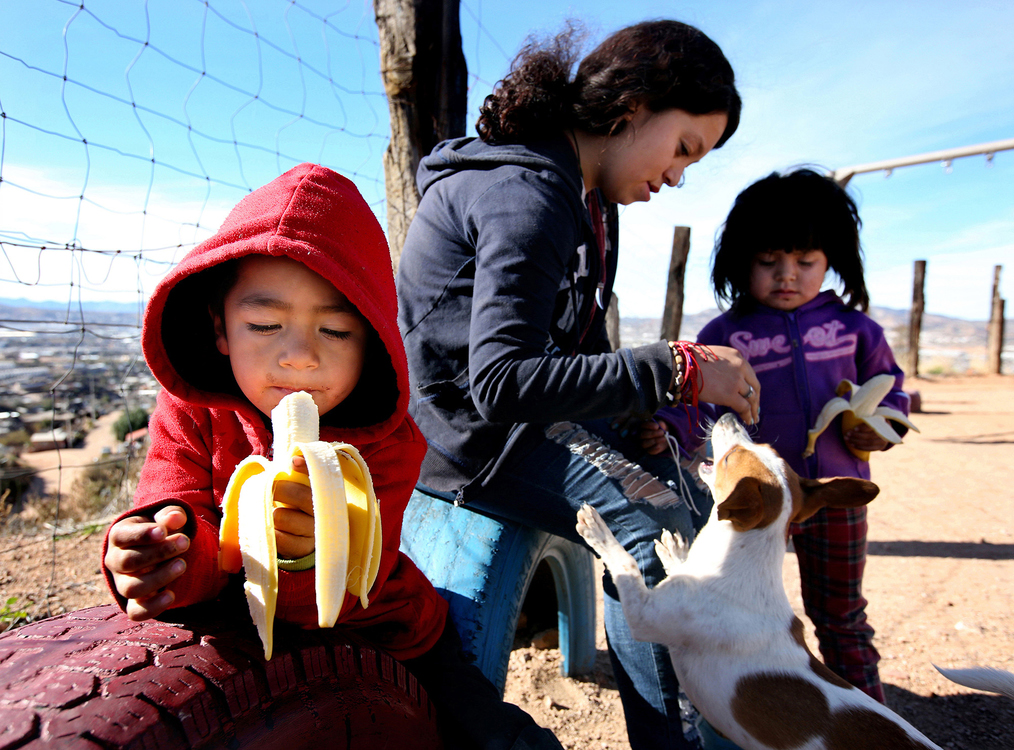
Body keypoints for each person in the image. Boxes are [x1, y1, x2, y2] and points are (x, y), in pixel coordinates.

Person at [101, 163, 563, 749]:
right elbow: (174, 507)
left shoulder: (389, 444)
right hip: (230, 626)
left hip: (383, 630)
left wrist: (297, 559)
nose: (299, 357)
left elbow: (339, 597)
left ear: (373, 341)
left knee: (487, 736)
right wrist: (159, 558)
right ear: (220, 330)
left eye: (337, 333)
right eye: (265, 324)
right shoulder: (191, 410)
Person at [396, 20, 760, 750]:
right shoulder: (527, 194)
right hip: (471, 439)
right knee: (651, 526)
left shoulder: (587, 195)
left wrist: (632, 409)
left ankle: (690, 706)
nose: (680, 174)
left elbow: (573, 338)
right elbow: (499, 380)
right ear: (630, 107)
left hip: (519, 422)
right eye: (684, 147)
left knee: (670, 485)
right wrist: (678, 369)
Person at [658, 167, 912, 704]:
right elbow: (692, 405)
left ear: (832, 260)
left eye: (805, 261)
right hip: (751, 504)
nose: (787, 276)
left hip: (835, 497)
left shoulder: (857, 331)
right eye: (768, 262)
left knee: (841, 618)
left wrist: (879, 430)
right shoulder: (723, 337)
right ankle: (747, 709)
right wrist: (666, 432)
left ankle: (869, 717)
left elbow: (892, 395)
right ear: (741, 262)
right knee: (733, 609)